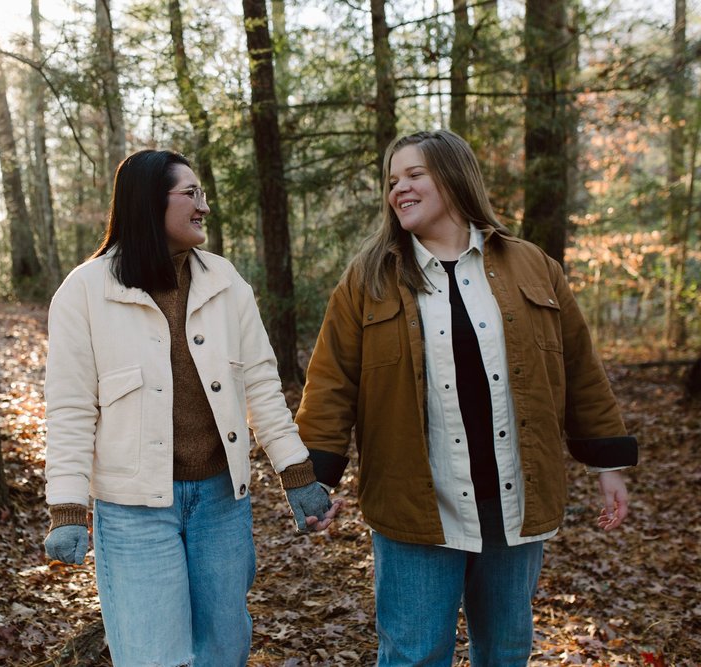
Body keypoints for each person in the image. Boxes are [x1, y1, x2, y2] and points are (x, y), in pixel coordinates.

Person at [295, 129, 638, 666]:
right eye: (391, 181)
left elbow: (579, 369)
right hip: (416, 505)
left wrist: (607, 464)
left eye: (414, 175)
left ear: (454, 179)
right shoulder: (368, 279)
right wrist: (313, 477)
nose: (399, 190)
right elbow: (331, 384)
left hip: (513, 498)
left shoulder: (533, 265)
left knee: (504, 652)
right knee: (414, 655)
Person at [42, 149, 339, 666]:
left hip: (221, 504)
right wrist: (68, 510)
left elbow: (264, 387)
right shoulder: (84, 292)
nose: (204, 206)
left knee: (224, 651)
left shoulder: (226, 282)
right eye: (192, 194)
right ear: (148, 202)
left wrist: (299, 477)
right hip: (134, 512)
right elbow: (69, 410)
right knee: (152, 656)